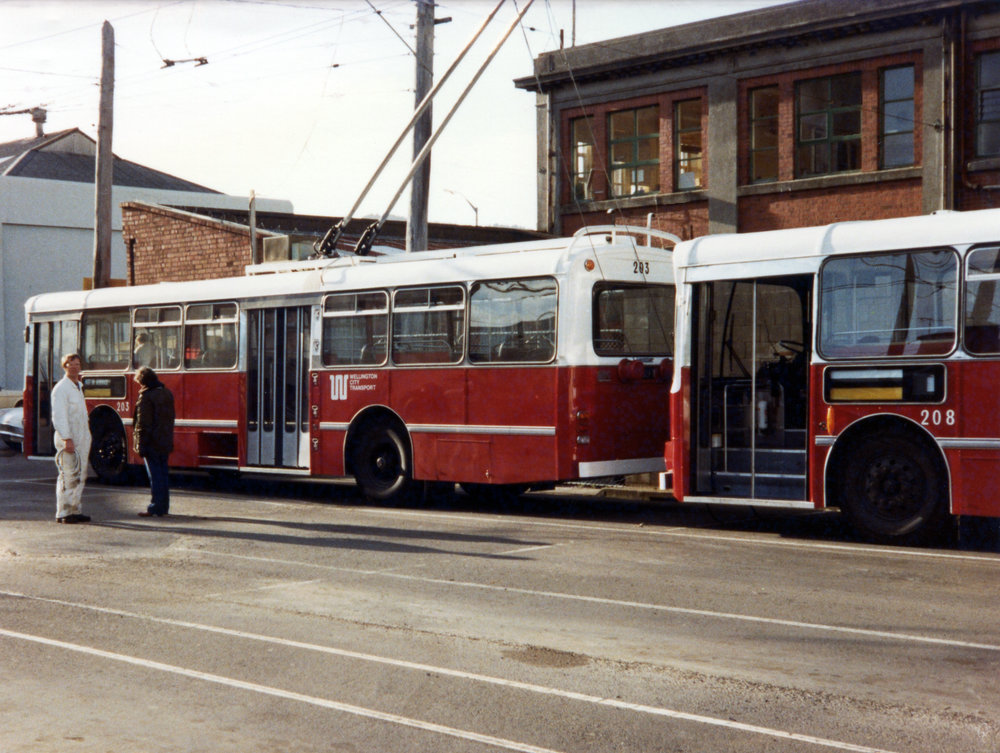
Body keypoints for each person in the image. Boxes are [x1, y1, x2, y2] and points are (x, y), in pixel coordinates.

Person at [51, 353, 91, 524]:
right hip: (68, 437)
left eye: (77, 364)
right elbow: (59, 416)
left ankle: (75, 509)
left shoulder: (78, 386)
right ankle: (63, 512)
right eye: (71, 364)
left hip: (81, 437)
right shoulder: (61, 389)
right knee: (68, 475)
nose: (74, 367)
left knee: (80, 474)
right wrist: (67, 438)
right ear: (64, 366)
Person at [132, 366, 175, 517]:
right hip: (165, 441)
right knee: (163, 474)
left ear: (142, 381)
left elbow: (143, 424)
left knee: (154, 476)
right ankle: (164, 507)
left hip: (152, 443)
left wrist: (140, 445)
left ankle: (155, 507)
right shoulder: (167, 393)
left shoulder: (146, 396)